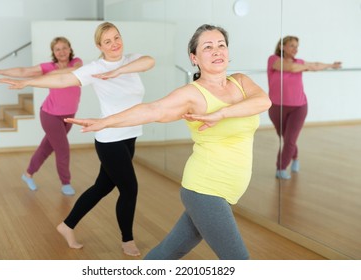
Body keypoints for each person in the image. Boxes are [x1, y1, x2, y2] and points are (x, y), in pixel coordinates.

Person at [64, 24, 271, 260]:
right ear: (194, 58)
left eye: (221, 45)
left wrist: (220, 114)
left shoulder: (241, 82)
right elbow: (153, 109)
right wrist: (106, 122)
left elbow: (264, 101)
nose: (216, 51)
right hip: (206, 189)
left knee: (169, 252)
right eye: (208, 47)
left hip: (226, 190)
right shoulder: (191, 94)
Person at [0, 22, 155, 257]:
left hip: (129, 135)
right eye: (108, 41)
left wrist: (119, 71)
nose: (114, 44)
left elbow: (150, 62)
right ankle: (127, 240)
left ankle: (67, 225)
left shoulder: (133, 59)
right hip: (109, 138)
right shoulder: (95, 67)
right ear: (99, 46)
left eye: (117, 38)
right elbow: (62, 80)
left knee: (103, 186)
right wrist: (30, 82)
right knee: (129, 188)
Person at [0, 37, 83, 195]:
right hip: (51, 115)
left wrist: (53, 74)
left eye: (65, 47)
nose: (62, 51)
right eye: (57, 49)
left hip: (69, 115)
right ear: (53, 53)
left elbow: (74, 71)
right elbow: (23, 71)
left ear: (70, 49)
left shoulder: (77, 63)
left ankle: (27, 174)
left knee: (46, 148)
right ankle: (66, 183)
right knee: (63, 149)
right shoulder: (48, 67)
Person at [267, 36, 342, 179]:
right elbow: (292, 68)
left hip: (299, 107)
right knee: (285, 137)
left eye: (297, 46)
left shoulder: (300, 62)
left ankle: (281, 168)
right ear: (282, 47)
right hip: (277, 107)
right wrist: (309, 67)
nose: (295, 49)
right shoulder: (273, 60)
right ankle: (295, 157)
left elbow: (316, 64)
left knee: (289, 140)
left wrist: (331, 65)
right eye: (292, 46)